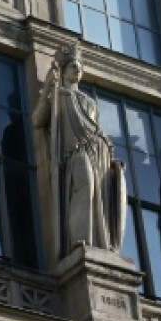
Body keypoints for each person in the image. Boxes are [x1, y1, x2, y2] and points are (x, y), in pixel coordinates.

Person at [32, 45, 125, 257]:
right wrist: (47, 86)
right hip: (75, 151)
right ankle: (78, 239)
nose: (78, 70)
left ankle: (97, 242)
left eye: (80, 67)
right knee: (85, 187)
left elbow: (98, 129)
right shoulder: (58, 96)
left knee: (98, 196)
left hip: (98, 150)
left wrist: (111, 158)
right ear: (63, 70)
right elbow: (38, 120)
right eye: (73, 66)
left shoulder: (89, 101)